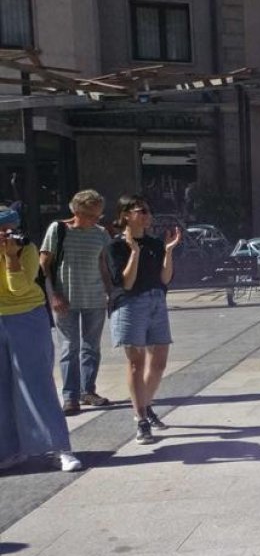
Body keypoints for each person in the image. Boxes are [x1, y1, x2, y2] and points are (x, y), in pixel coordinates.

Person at [0, 204, 82, 472]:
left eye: (10, 229)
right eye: (2, 230)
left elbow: (20, 287)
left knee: (37, 383)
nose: (7, 235)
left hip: (27, 317)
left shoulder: (28, 249)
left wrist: (11, 257)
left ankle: (60, 448)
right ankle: (10, 450)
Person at [106, 194, 181, 445]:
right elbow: (126, 282)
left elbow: (165, 279)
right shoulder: (115, 247)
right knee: (136, 363)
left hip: (156, 301)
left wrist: (168, 251)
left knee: (159, 362)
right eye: (142, 211)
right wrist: (134, 253)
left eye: (148, 211)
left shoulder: (155, 243)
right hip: (130, 305)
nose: (148, 215)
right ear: (126, 214)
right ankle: (140, 420)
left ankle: (145, 406)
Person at [39, 189, 113, 416]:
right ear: (77, 211)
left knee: (92, 347)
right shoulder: (58, 229)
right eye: (91, 215)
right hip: (65, 300)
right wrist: (54, 295)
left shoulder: (100, 233)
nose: (95, 220)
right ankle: (70, 397)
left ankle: (87, 390)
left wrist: (111, 293)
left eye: (98, 216)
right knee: (69, 348)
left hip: (95, 298)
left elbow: (104, 265)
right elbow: (45, 263)